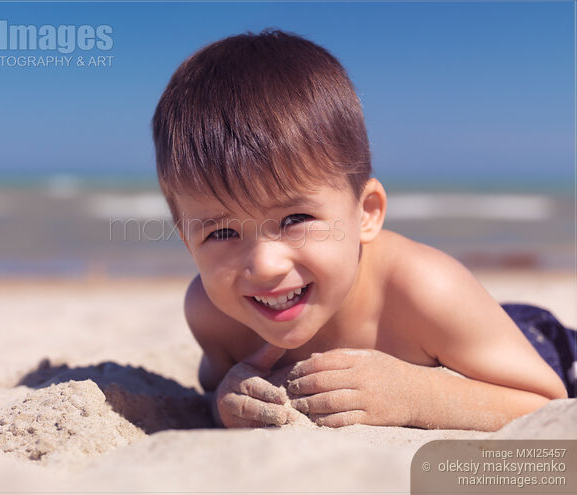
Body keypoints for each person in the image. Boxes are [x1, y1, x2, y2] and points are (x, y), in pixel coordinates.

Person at [151, 29, 574, 430]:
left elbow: (545, 401)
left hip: (516, 345)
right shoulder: (212, 314)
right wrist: (223, 401)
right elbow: (211, 388)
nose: (264, 266)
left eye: (295, 219)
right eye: (221, 233)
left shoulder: (423, 287)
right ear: (188, 239)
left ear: (366, 212)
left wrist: (416, 394)